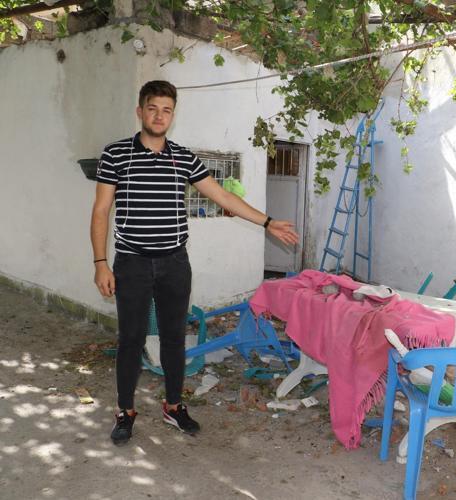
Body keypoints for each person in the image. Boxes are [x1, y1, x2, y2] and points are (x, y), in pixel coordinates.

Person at [90, 80, 299, 445]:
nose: (159, 116)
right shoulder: (116, 154)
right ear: (140, 112)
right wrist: (100, 263)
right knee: (131, 339)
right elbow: (101, 210)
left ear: (173, 115)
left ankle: (173, 406)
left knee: (174, 338)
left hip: (174, 263)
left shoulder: (183, 158)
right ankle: (125, 412)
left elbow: (223, 197)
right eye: (153, 109)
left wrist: (267, 222)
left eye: (166, 110)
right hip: (132, 263)